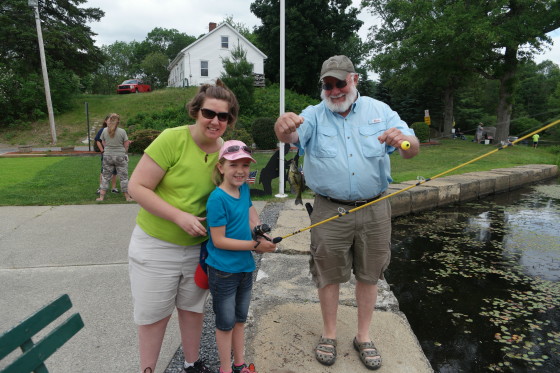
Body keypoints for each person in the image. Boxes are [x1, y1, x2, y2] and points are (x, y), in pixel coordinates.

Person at [274, 55, 419, 370]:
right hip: (328, 208)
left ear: (354, 79)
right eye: (328, 85)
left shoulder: (380, 112)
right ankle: (329, 334)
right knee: (328, 275)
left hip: (375, 207)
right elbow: (290, 136)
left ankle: (363, 337)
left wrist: (405, 142)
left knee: (369, 274)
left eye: (340, 82)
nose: (334, 90)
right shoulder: (312, 115)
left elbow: (412, 148)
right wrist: (282, 128)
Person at [127, 81, 239, 373]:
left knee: (192, 309)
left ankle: (192, 364)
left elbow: (236, 197)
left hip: (198, 249)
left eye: (223, 116)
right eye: (208, 113)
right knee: (154, 316)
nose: (215, 121)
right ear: (195, 111)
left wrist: (254, 229)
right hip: (156, 245)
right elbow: (136, 187)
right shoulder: (171, 139)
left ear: (229, 120)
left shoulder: (227, 152)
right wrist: (179, 216)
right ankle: (148, 369)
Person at [206, 140, 277, 373]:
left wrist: (261, 232)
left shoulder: (244, 189)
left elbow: (251, 216)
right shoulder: (217, 199)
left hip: (245, 268)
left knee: (239, 319)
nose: (240, 170)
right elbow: (219, 240)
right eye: (234, 164)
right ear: (221, 167)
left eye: (245, 165)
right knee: (225, 324)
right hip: (223, 271)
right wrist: (255, 246)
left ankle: (240, 365)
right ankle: (225, 369)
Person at [95, 113, 133, 202]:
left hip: (107, 156)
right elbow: (126, 144)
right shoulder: (122, 131)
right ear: (118, 122)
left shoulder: (104, 131)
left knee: (105, 176)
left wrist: (106, 150)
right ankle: (127, 197)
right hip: (120, 156)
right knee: (123, 177)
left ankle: (101, 197)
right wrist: (125, 152)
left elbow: (103, 142)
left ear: (109, 121)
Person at [94, 115, 118, 194]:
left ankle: (114, 188)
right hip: (106, 154)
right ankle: (101, 187)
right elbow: (98, 141)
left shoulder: (117, 130)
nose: (110, 122)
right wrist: (102, 151)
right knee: (104, 171)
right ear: (105, 121)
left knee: (114, 171)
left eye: (112, 120)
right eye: (109, 120)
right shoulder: (102, 130)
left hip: (115, 154)